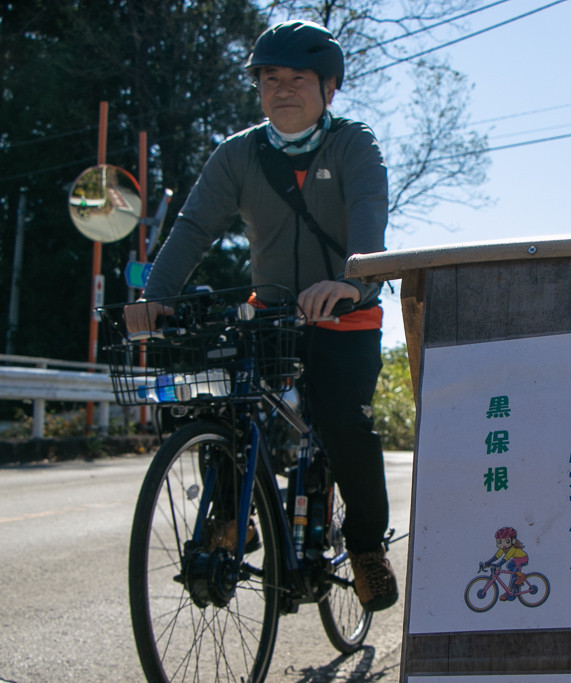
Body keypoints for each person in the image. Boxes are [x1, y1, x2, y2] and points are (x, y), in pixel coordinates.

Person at [124, 20, 398, 612]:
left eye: (297, 78)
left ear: (330, 87)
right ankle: (233, 517)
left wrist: (352, 282)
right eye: (269, 78)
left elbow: (369, 217)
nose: (281, 89)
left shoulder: (353, 144)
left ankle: (367, 546)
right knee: (221, 402)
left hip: (344, 317)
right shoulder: (238, 155)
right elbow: (194, 227)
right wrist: (155, 294)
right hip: (270, 317)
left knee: (345, 425)